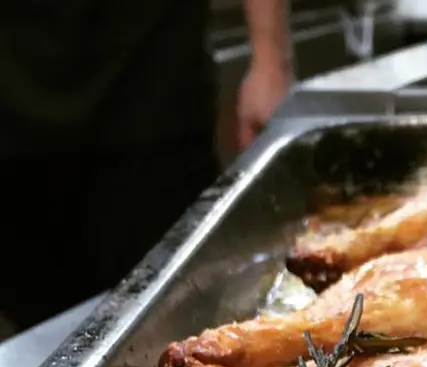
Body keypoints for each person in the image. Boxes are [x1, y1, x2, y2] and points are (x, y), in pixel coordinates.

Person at [0, 0, 292, 334]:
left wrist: (271, 60)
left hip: (152, 95)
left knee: (191, 317)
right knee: (39, 332)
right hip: (12, 128)